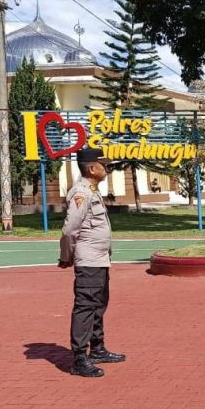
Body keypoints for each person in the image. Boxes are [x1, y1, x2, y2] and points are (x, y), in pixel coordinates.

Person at [59, 148, 125, 378]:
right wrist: (66, 256)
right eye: (103, 164)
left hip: (99, 260)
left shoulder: (92, 191)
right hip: (88, 260)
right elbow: (70, 230)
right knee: (86, 306)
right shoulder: (81, 193)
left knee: (99, 304)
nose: (107, 168)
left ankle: (97, 348)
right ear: (92, 168)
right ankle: (79, 358)